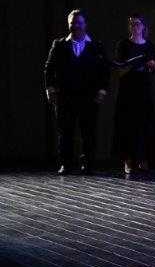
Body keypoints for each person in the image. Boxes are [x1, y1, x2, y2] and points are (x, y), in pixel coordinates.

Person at [44, 9, 110, 174]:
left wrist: (102, 89)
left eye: (79, 22)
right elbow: (49, 68)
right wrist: (50, 88)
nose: (76, 26)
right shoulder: (59, 45)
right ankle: (65, 163)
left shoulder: (95, 46)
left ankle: (88, 163)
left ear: (85, 24)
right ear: (69, 25)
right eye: (73, 22)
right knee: (65, 131)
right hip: (65, 95)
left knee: (89, 131)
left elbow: (104, 70)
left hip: (89, 95)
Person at [112, 15, 155, 174]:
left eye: (137, 24)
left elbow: (153, 67)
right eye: (132, 24)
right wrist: (133, 64)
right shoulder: (123, 44)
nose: (135, 27)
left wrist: (151, 65)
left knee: (144, 123)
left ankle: (143, 159)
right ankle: (128, 160)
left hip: (144, 88)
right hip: (128, 89)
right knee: (128, 125)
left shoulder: (149, 45)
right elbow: (119, 69)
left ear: (143, 26)